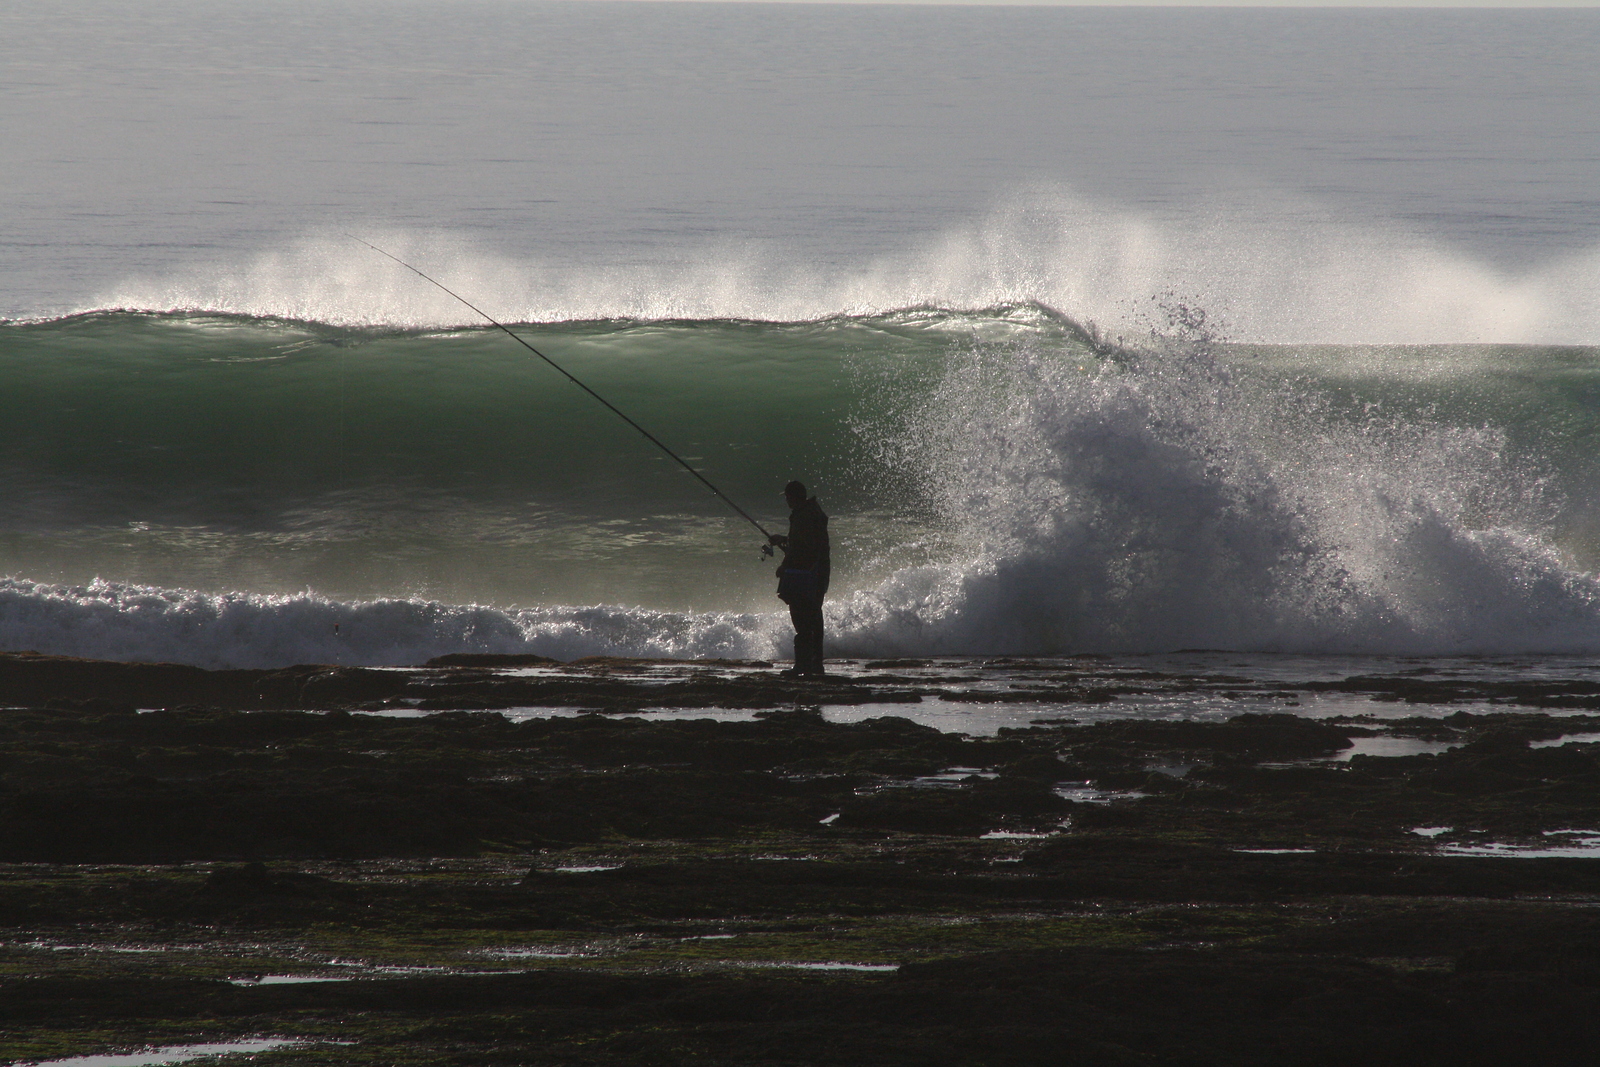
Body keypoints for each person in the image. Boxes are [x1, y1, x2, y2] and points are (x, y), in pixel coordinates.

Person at [768, 480, 829, 677]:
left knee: (802, 619)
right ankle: (815, 666)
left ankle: (803, 666)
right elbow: (804, 543)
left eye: (787, 497)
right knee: (813, 618)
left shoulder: (803, 517)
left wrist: (784, 567)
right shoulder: (812, 512)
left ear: (793, 497)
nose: (786, 500)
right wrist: (783, 540)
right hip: (819, 573)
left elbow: (802, 550)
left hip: (805, 576)